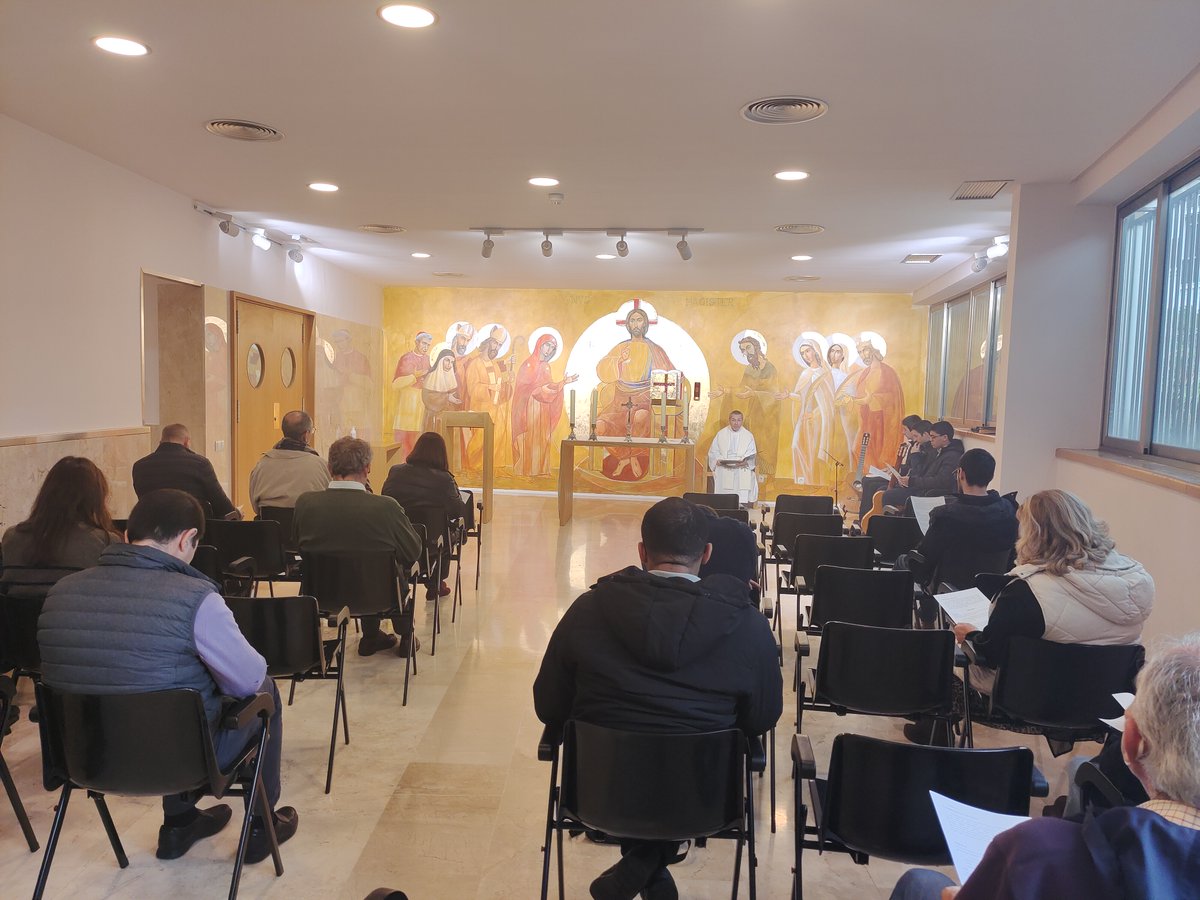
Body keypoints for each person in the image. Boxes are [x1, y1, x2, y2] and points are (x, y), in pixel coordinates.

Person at [533, 497, 782, 900]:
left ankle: (642, 862)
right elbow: (762, 718)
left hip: (600, 794)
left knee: (640, 763)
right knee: (669, 778)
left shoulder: (587, 610)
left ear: (642, 552)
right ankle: (650, 859)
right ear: (706, 554)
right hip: (704, 801)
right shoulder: (747, 626)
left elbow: (549, 704)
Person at [36, 489, 298, 863]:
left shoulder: (60, 593)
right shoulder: (196, 598)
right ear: (187, 539)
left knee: (158, 684)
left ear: (127, 536)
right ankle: (260, 826)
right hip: (184, 761)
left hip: (83, 758)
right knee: (263, 690)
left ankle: (178, 824)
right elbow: (248, 679)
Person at [888, 632, 1200, 900]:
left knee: (920, 883)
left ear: (1131, 740)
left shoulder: (1038, 854)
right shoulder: (1139, 592)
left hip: (1015, 701)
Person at [951, 489, 1154, 697]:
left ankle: (931, 728)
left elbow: (991, 654)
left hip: (1033, 700)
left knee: (945, 661)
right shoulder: (1136, 582)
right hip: (1106, 699)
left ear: (1034, 535)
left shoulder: (1025, 592)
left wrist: (972, 635)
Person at [293, 437, 423, 657]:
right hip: (380, 598)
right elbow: (412, 552)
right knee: (387, 570)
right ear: (367, 468)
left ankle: (372, 637)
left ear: (329, 467)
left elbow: (299, 545)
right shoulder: (386, 508)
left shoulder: (305, 503)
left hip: (322, 596)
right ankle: (402, 632)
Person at [901, 448, 1017, 605]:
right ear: (991, 476)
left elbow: (926, 560)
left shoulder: (946, 516)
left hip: (951, 590)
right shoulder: (1010, 510)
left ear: (960, 473)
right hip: (992, 590)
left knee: (903, 561)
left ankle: (916, 622)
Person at [1, 456, 122, 598]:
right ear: (95, 498)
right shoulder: (105, 543)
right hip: (74, 619)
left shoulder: (11, 538)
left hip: (18, 620)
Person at [594, 302, 685, 481]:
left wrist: (679, 379)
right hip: (619, 399)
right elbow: (602, 370)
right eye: (633, 321)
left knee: (641, 417)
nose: (636, 324)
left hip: (644, 397)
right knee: (600, 426)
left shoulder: (655, 349)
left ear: (645, 324)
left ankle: (635, 457)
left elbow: (671, 373)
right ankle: (624, 457)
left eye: (639, 320)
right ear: (628, 325)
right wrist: (619, 360)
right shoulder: (621, 347)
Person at [380, 432, 468, 600]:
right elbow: (456, 511)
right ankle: (436, 584)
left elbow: (386, 499)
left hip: (399, 539)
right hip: (433, 543)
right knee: (447, 532)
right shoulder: (444, 479)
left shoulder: (395, 472)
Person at [710, 334, 786, 480]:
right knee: (752, 441)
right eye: (743, 350)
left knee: (766, 443)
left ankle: (766, 477)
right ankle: (753, 472)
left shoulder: (770, 368)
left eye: (748, 348)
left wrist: (755, 393)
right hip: (753, 412)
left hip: (768, 414)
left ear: (757, 347)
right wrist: (726, 391)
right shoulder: (749, 369)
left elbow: (774, 394)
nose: (746, 352)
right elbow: (742, 389)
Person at [133, 423, 241, 519]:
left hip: (153, 528)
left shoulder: (139, 466)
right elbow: (222, 505)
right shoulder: (200, 464)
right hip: (192, 529)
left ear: (160, 442)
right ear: (186, 441)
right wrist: (237, 513)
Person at [838, 333, 906, 474]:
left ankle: (877, 484)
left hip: (883, 423)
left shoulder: (888, 373)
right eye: (859, 352)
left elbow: (893, 398)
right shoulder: (864, 373)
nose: (862, 355)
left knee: (878, 454)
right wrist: (852, 400)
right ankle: (867, 480)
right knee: (857, 450)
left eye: (865, 350)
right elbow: (862, 398)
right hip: (867, 422)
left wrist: (872, 399)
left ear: (874, 349)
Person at [511, 333, 577, 477]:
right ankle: (527, 469)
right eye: (547, 345)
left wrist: (563, 382)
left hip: (544, 408)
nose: (549, 350)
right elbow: (523, 389)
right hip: (531, 408)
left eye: (552, 348)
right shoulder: (528, 364)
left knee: (543, 438)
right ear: (539, 345)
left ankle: (540, 469)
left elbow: (549, 386)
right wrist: (540, 390)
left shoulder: (546, 366)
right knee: (531, 437)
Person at [247, 410, 330, 516]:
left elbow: (256, 507)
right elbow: (327, 505)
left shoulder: (261, 465)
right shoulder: (321, 466)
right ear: (305, 435)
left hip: (272, 531)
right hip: (308, 531)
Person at [463, 325, 514, 470]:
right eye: (495, 343)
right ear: (487, 341)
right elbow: (472, 388)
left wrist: (506, 382)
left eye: (499, 345)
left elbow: (497, 384)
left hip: (495, 409)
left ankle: (491, 465)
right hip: (480, 409)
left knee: (496, 436)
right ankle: (474, 466)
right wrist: (488, 388)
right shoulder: (475, 364)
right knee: (479, 439)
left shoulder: (494, 365)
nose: (496, 347)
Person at [880, 421, 963, 510]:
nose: (931, 440)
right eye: (930, 437)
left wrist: (912, 481)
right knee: (883, 490)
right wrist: (907, 481)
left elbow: (941, 481)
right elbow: (923, 471)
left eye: (933, 437)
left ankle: (892, 522)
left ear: (945, 437)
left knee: (888, 495)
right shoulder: (939, 451)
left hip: (928, 493)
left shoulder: (952, 456)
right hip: (921, 488)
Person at [788, 337, 836, 486]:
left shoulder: (825, 373)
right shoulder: (805, 374)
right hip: (803, 419)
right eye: (802, 353)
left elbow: (828, 403)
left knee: (813, 452)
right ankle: (803, 481)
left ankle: (815, 484)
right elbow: (801, 398)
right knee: (796, 446)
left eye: (807, 351)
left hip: (818, 421)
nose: (806, 355)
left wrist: (814, 414)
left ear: (815, 350)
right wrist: (788, 395)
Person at [857, 414, 923, 519]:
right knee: (866, 480)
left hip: (909, 483)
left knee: (874, 486)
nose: (903, 432)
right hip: (902, 477)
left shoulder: (919, 448)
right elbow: (908, 466)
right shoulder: (914, 446)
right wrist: (893, 468)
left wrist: (899, 471)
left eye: (905, 429)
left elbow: (917, 470)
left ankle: (870, 518)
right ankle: (864, 518)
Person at [391, 331, 433, 454]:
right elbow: (395, 384)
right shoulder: (406, 358)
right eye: (424, 343)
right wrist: (414, 376)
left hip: (421, 405)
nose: (426, 347)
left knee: (419, 442)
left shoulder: (429, 360)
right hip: (406, 405)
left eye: (428, 345)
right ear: (416, 342)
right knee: (404, 444)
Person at [707, 410, 758, 504]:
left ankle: (740, 503)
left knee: (745, 473)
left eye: (739, 420)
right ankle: (724, 502)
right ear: (729, 420)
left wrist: (745, 462)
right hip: (724, 464)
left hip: (741, 465)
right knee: (721, 472)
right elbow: (713, 451)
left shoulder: (748, 435)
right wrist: (716, 460)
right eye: (733, 420)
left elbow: (752, 454)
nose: (736, 423)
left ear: (742, 421)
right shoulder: (721, 434)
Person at [421, 348, 460, 433]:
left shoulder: (452, 378)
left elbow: (453, 396)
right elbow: (428, 399)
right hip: (433, 418)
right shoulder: (431, 376)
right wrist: (447, 397)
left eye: (452, 362)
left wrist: (453, 399)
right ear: (440, 360)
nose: (449, 364)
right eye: (447, 360)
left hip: (448, 418)